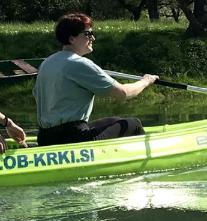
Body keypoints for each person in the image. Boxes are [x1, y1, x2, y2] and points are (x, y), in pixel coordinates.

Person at [34, 12, 158, 146]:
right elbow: (123, 93)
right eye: (87, 34)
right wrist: (145, 81)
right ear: (71, 39)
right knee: (133, 124)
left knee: (115, 120)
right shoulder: (79, 63)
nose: (93, 38)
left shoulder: (47, 62)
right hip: (74, 139)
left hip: (45, 138)